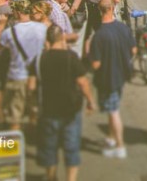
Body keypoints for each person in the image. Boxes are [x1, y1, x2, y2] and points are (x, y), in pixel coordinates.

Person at [29, 24, 95, 181]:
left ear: (48, 40)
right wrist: (90, 101)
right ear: (62, 38)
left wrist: (33, 108)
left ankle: (51, 177)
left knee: (49, 147)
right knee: (71, 148)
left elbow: (31, 86)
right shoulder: (71, 57)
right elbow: (83, 82)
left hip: (48, 110)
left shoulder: (39, 59)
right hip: (70, 110)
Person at [88, 0, 137, 158]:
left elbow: (95, 64)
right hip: (121, 74)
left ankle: (120, 145)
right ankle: (110, 137)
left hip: (107, 78)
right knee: (111, 109)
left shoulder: (99, 35)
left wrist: (88, 53)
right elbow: (134, 51)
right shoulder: (123, 28)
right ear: (111, 8)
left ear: (99, 10)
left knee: (113, 112)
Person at [0, 1, 49, 131]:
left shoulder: (9, 32)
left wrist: (1, 25)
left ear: (17, 13)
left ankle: (16, 143)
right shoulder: (42, 28)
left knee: (15, 115)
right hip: (36, 75)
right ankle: (33, 136)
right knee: (34, 110)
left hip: (17, 75)